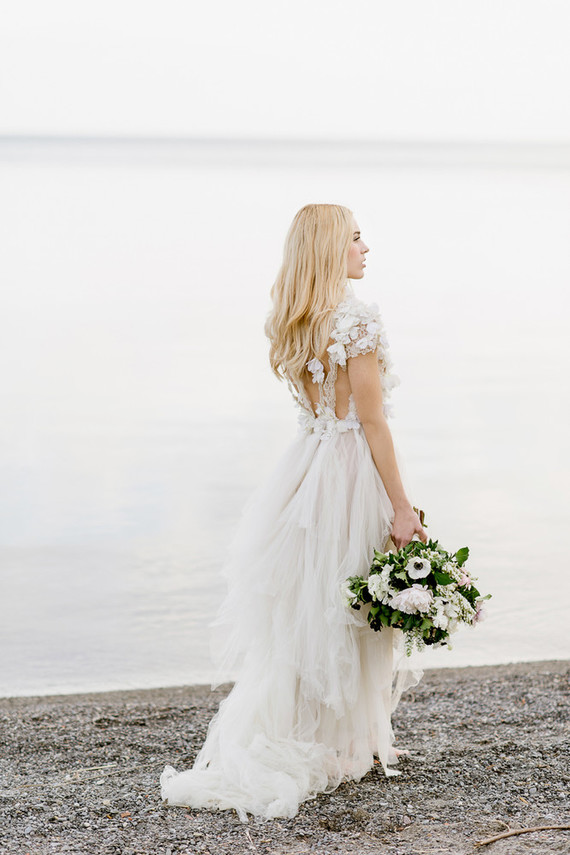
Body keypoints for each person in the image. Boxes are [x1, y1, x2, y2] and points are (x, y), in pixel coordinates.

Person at [160, 203, 427, 822]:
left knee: (312, 607)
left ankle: (333, 736)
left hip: (305, 469)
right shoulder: (357, 320)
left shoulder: (296, 322)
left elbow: (323, 412)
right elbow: (372, 423)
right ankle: (345, 742)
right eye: (356, 238)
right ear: (331, 249)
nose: (366, 247)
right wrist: (402, 506)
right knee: (349, 605)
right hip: (349, 471)